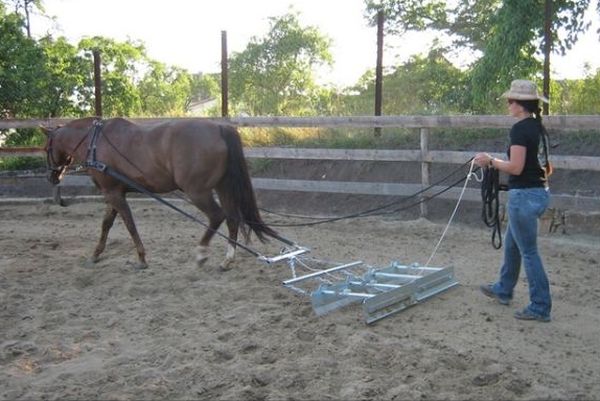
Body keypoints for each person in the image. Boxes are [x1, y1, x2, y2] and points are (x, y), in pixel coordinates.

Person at [474, 79, 552, 322]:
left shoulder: (519, 130)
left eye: (511, 101)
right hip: (539, 192)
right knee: (512, 244)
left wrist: (490, 161)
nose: (508, 104)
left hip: (524, 196)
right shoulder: (538, 128)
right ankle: (503, 288)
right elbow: (545, 166)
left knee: (529, 252)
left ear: (521, 104)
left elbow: (516, 168)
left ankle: (540, 306)